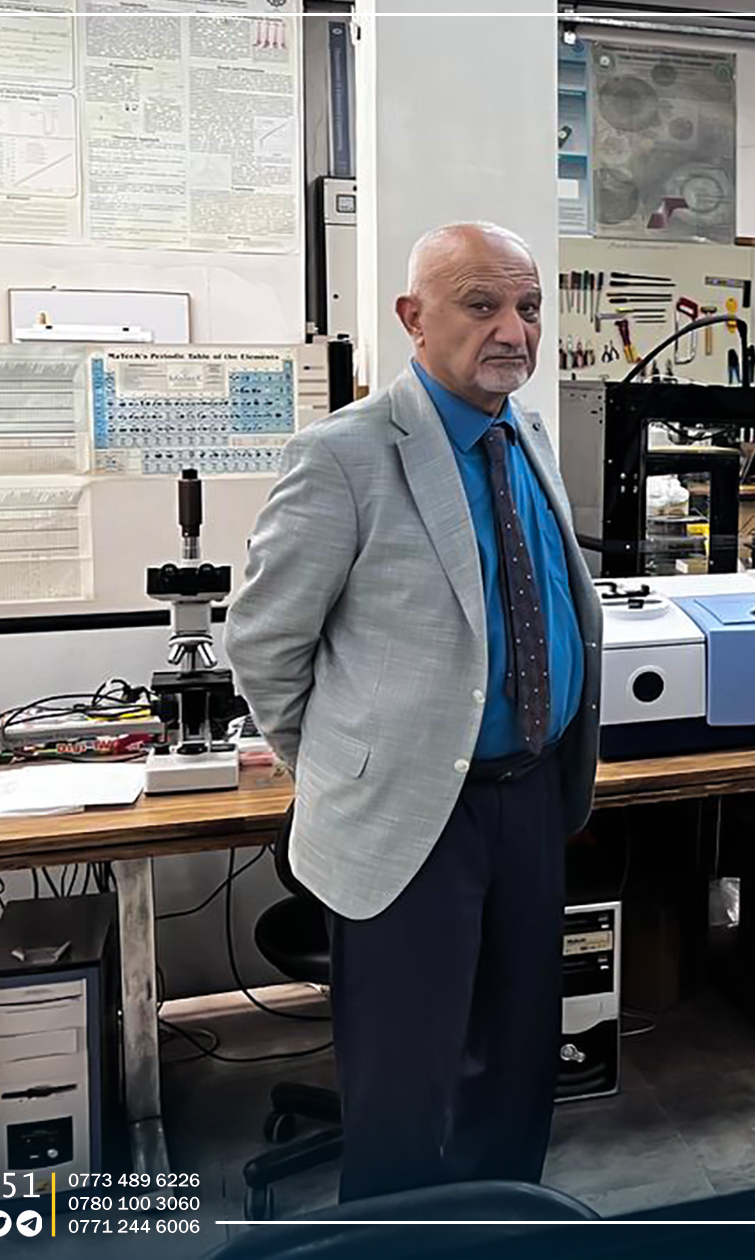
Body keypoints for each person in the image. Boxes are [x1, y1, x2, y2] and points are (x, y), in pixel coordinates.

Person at [226, 222, 601, 1201]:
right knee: (406, 1088)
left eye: (528, 307)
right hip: (411, 815)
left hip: (531, 796)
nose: (513, 329)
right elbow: (264, 643)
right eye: (482, 305)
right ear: (413, 317)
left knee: (518, 1065)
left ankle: (502, 1222)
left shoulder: (526, 436)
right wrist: (344, 763)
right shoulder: (344, 454)